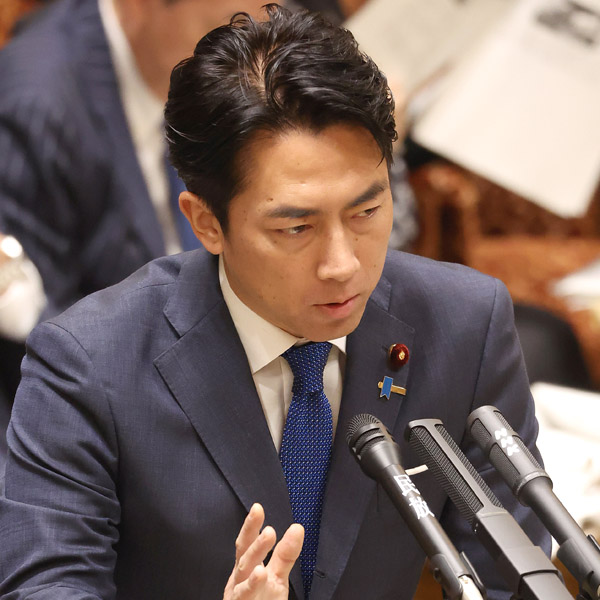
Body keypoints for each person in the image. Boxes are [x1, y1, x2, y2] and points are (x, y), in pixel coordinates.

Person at [0, 5, 549, 599]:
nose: (343, 264)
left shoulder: (466, 327)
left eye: (366, 211)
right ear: (206, 223)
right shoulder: (89, 364)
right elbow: (46, 586)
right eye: (296, 228)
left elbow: (513, 581)